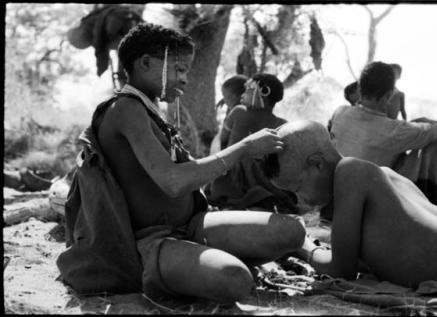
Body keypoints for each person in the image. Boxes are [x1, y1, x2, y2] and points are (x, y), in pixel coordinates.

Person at [57, 23, 309, 304]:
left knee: (292, 230)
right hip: (145, 243)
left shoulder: (151, 112)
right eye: (179, 69)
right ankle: (183, 267)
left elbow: (188, 173)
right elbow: (174, 182)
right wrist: (244, 148)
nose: (185, 79)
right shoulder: (126, 109)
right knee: (234, 280)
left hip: (191, 225)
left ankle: (197, 261)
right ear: (145, 63)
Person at [264, 120, 437, 294]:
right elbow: (399, 248)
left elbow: (341, 270)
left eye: (296, 188)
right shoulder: (384, 175)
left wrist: (300, 244)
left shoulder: (350, 172)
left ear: (317, 164)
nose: (298, 200)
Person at [328, 61, 437, 210]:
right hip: (371, 204)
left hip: (335, 197)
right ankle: (433, 210)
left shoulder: (340, 113)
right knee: (436, 143)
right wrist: (426, 121)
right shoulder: (396, 131)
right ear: (388, 95)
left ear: (360, 88)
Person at [206, 73, 299, 213]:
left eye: (248, 90)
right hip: (266, 182)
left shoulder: (238, 112)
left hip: (234, 183)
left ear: (263, 95)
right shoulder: (283, 124)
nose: (242, 95)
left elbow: (222, 140)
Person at [210, 75, 248, 154]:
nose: (224, 100)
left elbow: (223, 138)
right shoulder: (246, 108)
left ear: (234, 96)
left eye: (225, 96)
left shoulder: (237, 111)